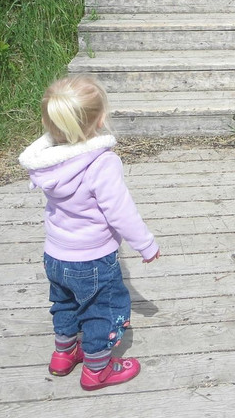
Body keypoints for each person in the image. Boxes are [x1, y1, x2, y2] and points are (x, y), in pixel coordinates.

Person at [18, 76, 159, 391]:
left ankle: (63, 355)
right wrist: (146, 244)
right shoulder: (101, 163)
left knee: (64, 304)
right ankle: (98, 369)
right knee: (102, 311)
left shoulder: (48, 164)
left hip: (55, 255)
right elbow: (121, 212)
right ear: (101, 119)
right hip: (93, 259)